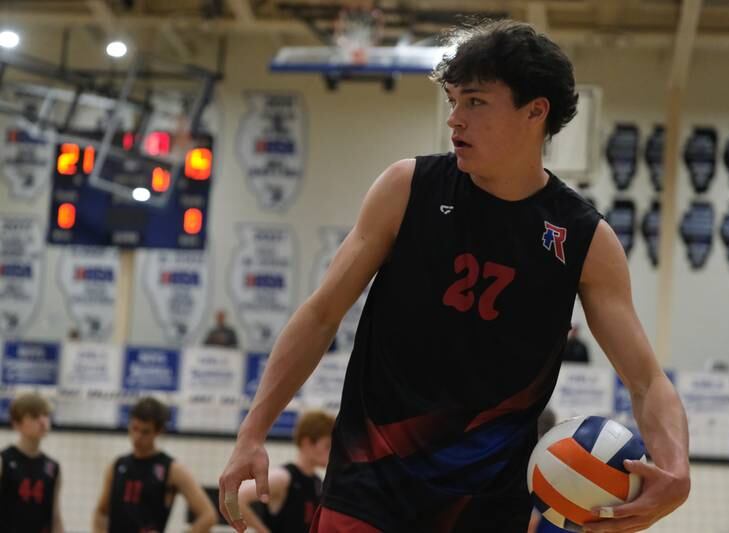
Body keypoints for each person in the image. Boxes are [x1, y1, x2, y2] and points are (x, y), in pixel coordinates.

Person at [220, 19, 690, 533]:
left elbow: (645, 380)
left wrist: (676, 469)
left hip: (485, 503)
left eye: (475, 103)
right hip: (370, 482)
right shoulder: (407, 188)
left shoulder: (583, 238)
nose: (454, 120)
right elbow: (320, 314)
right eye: (453, 102)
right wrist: (253, 432)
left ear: (536, 112)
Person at [92, 397, 217, 533]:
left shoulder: (172, 469)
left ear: (158, 431)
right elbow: (101, 512)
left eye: (145, 432)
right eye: (134, 428)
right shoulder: (117, 465)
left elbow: (208, 515)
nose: (137, 436)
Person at [237, 410, 335, 533]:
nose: (332, 452)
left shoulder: (317, 482)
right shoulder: (283, 477)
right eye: (327, 446)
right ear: (307, 443)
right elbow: (238, 497)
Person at [0, 392, 64, 533]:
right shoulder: (4, 460)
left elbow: (55, 516)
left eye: (46, 415)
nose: (43, 421)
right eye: (34, 416)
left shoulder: (52, 467)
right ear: (17, 424)